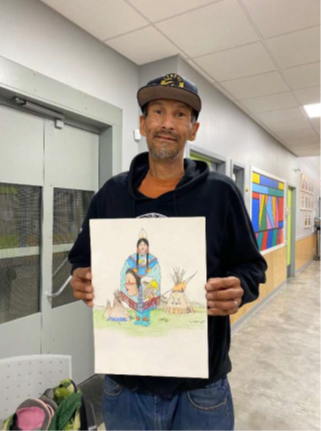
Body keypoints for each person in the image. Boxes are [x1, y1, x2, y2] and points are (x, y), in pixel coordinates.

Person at [69, 72, 267, 431]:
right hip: (124, 385)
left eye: (180, 115)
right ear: (143, 124)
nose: (167, 123)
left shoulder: (221, 193)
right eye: (158, 112)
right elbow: (83, 258)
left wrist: (239, 287)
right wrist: (81, 278)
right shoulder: (111, 195)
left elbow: (252, 267)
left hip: (200, 390)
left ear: (193, 129)